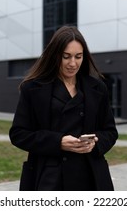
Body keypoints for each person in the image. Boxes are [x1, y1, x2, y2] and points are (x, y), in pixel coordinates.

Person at [9, 25, 118, 191]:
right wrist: (58, 142)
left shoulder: (97, 88)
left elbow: (110, 132)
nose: (72, 63)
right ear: (55, 55)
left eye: (78, 56)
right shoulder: (32, 88)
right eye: (66, 57)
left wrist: (95, 143)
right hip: (49, 177)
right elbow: (18, 134)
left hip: (90, 177)